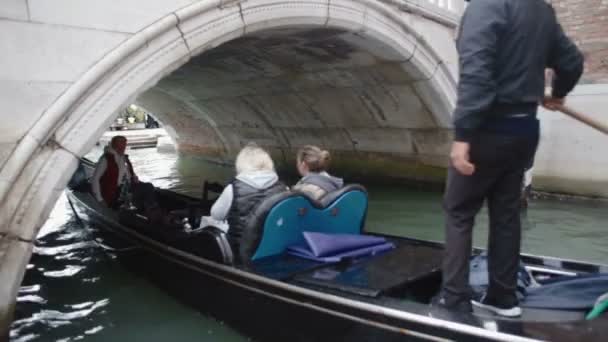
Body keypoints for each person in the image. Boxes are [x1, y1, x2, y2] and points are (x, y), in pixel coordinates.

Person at [435, 0, 584, 317]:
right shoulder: (541, 10)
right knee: (506, 215)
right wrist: (558, 92)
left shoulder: (485, 6)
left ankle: (454, 301)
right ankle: (503, 299)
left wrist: (463, 136)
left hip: (487, 130)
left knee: (459, 212)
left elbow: (476, 72)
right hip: (524, 130)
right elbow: (571, 61)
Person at [209, 144, 286, 257]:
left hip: (239, 248)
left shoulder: (234, 188)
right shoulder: (283, 189)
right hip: (270, 248)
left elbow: (216, 215)